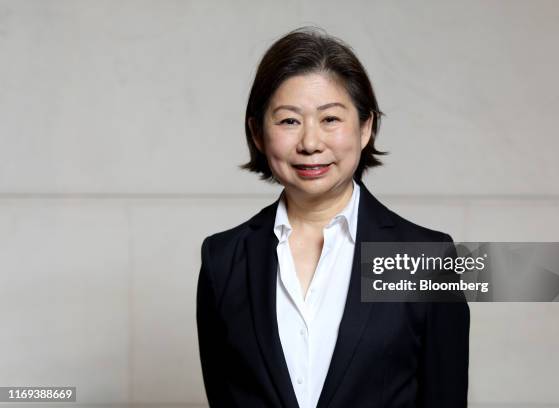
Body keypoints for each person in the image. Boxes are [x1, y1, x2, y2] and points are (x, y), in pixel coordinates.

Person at [196, 27, 470, 408]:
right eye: (289, 121)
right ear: (257, 133)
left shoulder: (425, 258)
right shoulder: (222, 259)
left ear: (365, 127)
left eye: (330, 120)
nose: (310, 143)